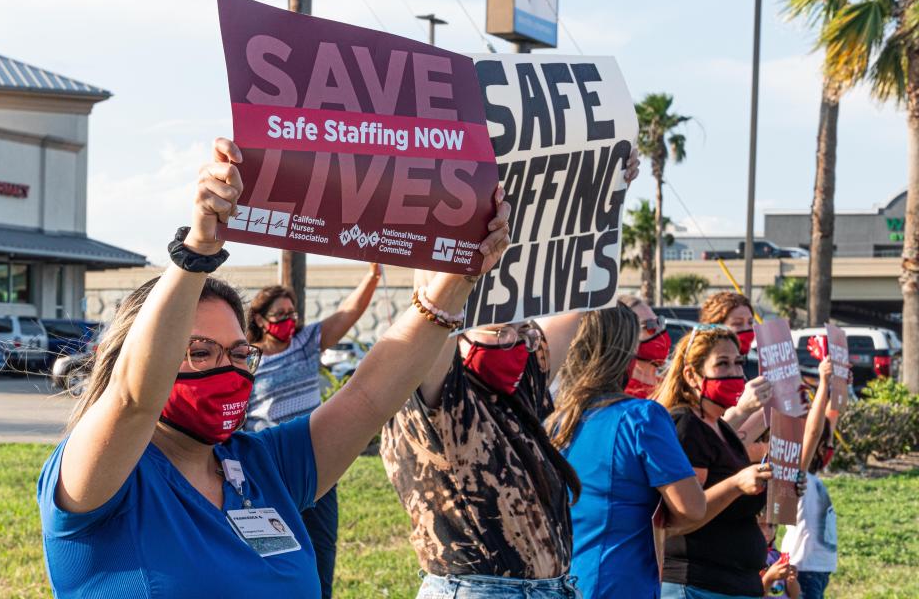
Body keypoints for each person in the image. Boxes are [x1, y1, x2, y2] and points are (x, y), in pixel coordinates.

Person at [36, 138, 512, 598]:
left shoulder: (264, 466)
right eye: (200, 352)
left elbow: (367, 399)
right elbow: (133, 400)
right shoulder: (98, 478)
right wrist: (196, 252)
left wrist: (457, 280)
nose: (229, 371)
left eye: (240, 354)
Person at [380, 148, 641, 599]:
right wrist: (435, 202)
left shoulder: (526, 380)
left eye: (520, 326)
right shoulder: (439, 388)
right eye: (495, 324)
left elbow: (579, 286)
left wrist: (607, 194)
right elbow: (431, 301)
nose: (511, 333)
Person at [545, 303, 705, 598]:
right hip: (619, 581)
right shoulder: (642, 417)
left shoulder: (550, 419)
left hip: (559, 581)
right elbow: (692, 508)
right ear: (625, 355)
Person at [245, 268, 380, 598]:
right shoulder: (247, 358)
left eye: (292, 313)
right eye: (280, 315)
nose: (288, 320)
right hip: (268, 470)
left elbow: (348, 312)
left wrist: (373, 276)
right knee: (273, 555)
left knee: (321, 552)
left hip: (315, 465)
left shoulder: (307, 343)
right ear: (261, 320)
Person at [652, 325, 775, 598]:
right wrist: (736, 484)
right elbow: (681, 518)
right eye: (722, 364)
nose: (734, 372)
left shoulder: (719, 427)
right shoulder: (687, 426)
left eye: (738, 362)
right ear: (692, 376)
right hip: (698, 586)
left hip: (733, 584)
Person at [781, 360, 838, 599]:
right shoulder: (797, 472)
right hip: (803, 568)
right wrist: (823, 383)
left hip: (818, 569)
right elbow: (814, 433)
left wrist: (836, 387)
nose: (826, 444)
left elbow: (830, 421)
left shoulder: (812, 473)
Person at [698, 292, 774, 452]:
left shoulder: (749, 368)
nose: (747, 330)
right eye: (738, 324)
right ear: (716, 326)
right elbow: (712, 439)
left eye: (750, 323)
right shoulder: (706, 373)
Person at [619, 295, 672, 398]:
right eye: (649, 325)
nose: (659, 331)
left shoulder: (669, 385)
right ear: (627, 336)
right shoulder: (625, 395)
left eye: (659, 322)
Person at [758, 519, 800, 598]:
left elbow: (794, 595)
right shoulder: (749, 559)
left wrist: (791, 580)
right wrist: (770, 578)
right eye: (761, 524)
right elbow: (755, 595)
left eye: (771, 525)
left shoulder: (778, 557)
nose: (768, 530)